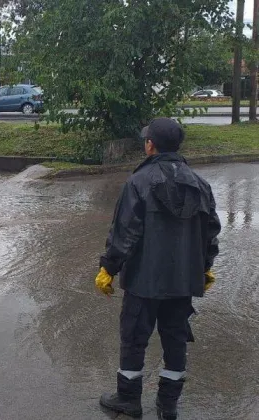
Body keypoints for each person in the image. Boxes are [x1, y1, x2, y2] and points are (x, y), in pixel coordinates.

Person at [95, 118, 221, 419]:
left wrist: (108, 268)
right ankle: (168, 405)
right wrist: (204, 269)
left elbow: (124, 232)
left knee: (134, 337)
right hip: (182, 281)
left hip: (143, 280)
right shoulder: (200, 184)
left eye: (146, 140)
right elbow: (210, 233)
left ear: (151, 145)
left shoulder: (138, 182)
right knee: (175, 338)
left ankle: (128, 399)